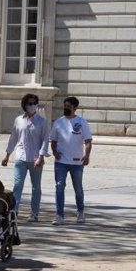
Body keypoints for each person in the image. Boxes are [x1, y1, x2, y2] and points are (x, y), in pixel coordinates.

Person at [1, 93, 48, 222]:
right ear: (25, 105)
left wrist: (41, 156)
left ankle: (34, 213)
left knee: (36, 187)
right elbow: (14, 138)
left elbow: (45, 139)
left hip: (35, 159)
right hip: (20, 157)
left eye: (35, 103)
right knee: (17, 185)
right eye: (30, 104)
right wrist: (7, 155)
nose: (33, 106)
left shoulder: (42, 121)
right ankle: (14, 211)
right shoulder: (18, 120)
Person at [49, 96, 92, 226]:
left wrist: (87, 155)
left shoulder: (82, 122)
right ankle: (59, 215)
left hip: (77, 162)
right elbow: (53, 140)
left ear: (75, 108)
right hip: (61, 161)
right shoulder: (58, 122)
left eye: (68, 106)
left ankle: (80, 211)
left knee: (78, 188)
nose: (65, 108)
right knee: (59, 186)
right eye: (65, 106)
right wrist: (54, 152)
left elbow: (88, 141)